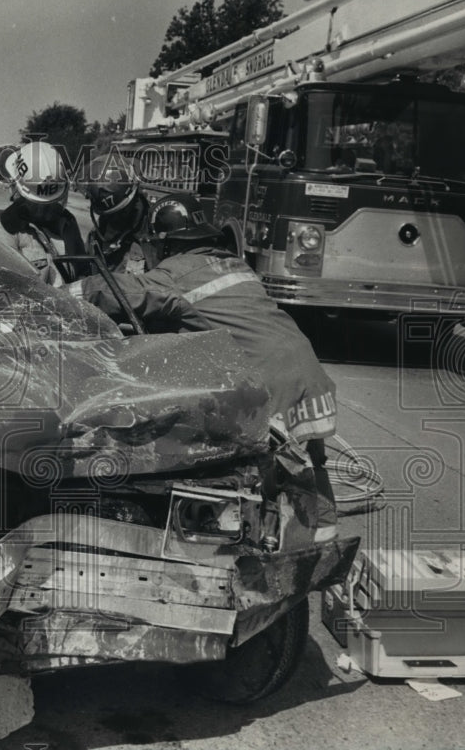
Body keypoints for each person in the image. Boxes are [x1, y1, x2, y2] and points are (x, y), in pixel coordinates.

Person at [69, 193, 338, 541]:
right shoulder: (234, 266)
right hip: (309, 379)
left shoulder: (176, 273)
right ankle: (322, 545)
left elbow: (121, 290)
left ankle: (273, 556)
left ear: (165, 245)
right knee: (309, 470)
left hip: (272, 389)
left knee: (266, 481)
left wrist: (62, 292)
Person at [0, 141, 86, 285]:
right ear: (19, 192)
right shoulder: (2, 232)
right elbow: (10, 291)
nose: (47, 210)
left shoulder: (67, 222)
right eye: (38, 204)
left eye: (51, 203)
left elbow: (83, 272)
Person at [81, 153, 156, 275]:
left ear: (134, 197)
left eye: (120, 212)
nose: (112, 220)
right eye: (108, 215)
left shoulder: (154, 236)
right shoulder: (97, 235)